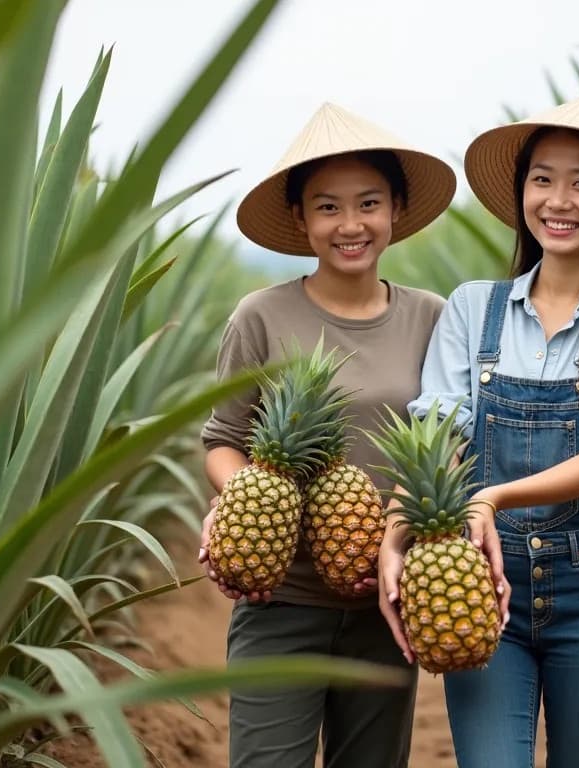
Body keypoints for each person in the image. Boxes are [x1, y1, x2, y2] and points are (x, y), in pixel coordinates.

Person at [388, 90, 579, 766]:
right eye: (542, 179)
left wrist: (494, 496)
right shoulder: (473, 309)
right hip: (479, 587)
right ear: (522, 191)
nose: (558, 200)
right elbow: (433, 437)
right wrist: (393, 539)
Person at [197, 102, 456, 768]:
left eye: (368, 203)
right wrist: (248, 504)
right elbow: (223, 438)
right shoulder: (260, 316)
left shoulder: (432, 318)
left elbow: (452, 441)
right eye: (327, 207)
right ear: (300, 219)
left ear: (396, 208)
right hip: (280, 600)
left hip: (386, 603)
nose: (350, 225)